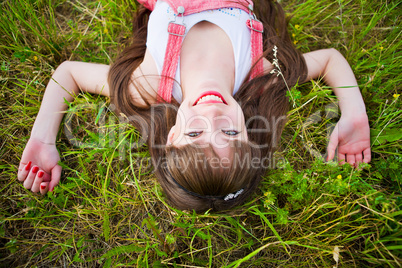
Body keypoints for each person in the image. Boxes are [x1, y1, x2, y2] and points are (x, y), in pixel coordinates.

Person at [17, 0, 371, 212]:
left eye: (197, 132)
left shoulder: (152, 84)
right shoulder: (261, 72)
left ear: (172, 135)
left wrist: (44, 138)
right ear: (250, 131)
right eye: (230, 131)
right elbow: (328, 61)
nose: (213, 114)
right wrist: (354, 112)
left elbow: (69, 75)